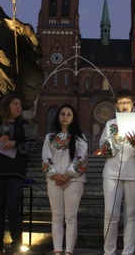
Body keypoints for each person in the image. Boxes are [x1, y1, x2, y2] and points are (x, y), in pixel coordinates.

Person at [0, 93, 38, 255]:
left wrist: (16, 143)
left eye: (20, 104)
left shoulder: (24, 125)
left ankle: (17, 246)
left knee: (13, 208)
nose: (18, 107)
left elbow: (33, 144)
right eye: (15, 104)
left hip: (15, 173)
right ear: (7, 106)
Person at [98, 89, 135, 255]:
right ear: (116, 105)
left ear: (133, 104)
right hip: (112, 173)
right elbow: (104, 150)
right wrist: (114, 140)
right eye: (121, 102)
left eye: (127, 102)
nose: (124, 105)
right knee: (111, 214)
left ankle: (128, 252)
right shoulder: (110, 124)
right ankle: (109, 252)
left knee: (131, 215)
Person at [42, 104, 88, 255]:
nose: (65, 116)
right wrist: (54, 174)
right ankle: (57, 250)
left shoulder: (80, 138)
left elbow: (81, 160)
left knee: (71, 217)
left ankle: (69, 251)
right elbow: (46, 158)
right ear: (58, 116)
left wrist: (68, 175)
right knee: (56, 217)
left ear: (73, 118)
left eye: (69, 114)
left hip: (73, 181)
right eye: (62, 114)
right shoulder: (50, 137)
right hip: (54, 181)